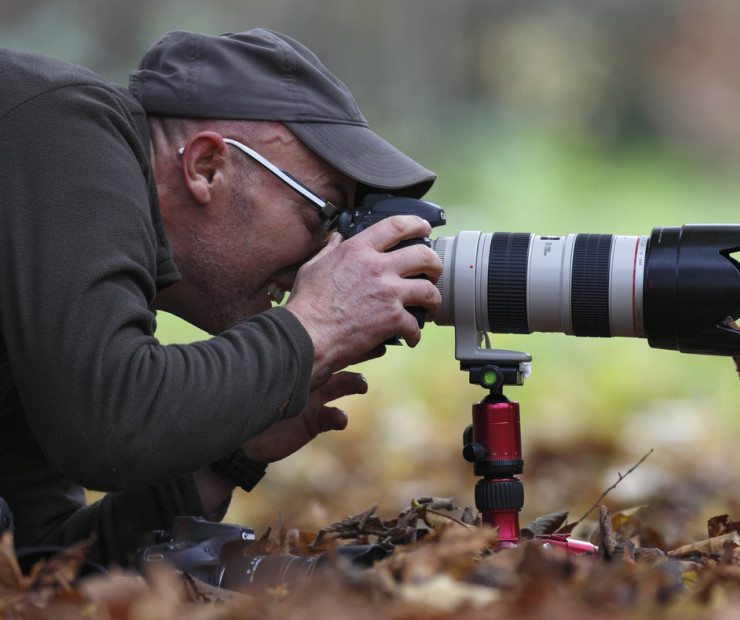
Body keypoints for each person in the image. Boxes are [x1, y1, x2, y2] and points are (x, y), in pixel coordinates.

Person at [0, 29, 443, 567]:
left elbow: (39, 558)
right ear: (206, 166)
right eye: (323, 215)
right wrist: (311, 329)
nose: (325, 256)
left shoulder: (46, 258)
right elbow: (109, 425)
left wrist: (227, 458)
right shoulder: (68, 124)